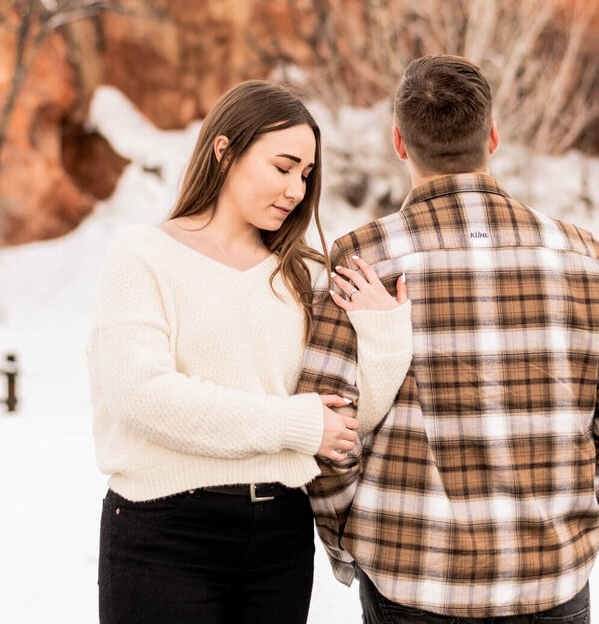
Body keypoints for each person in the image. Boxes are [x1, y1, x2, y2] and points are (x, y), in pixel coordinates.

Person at [297, 55, 599, 623]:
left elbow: (326, 430)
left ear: (399, 143)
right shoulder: (584, 259)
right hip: (552, 588)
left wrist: (349, 536)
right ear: (491, 136)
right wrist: (575, 524)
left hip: (412, 585)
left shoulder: (362, 261)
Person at [86, 80, 414, 624]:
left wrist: (385, 336)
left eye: (306, 175)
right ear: (224, 151)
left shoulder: (303, 274)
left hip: (279, 539)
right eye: (282, 167)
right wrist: (295, 425)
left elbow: (344, 424)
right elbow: (141, 397)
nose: (295, 189)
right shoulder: (142, 256)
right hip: (162, 533)